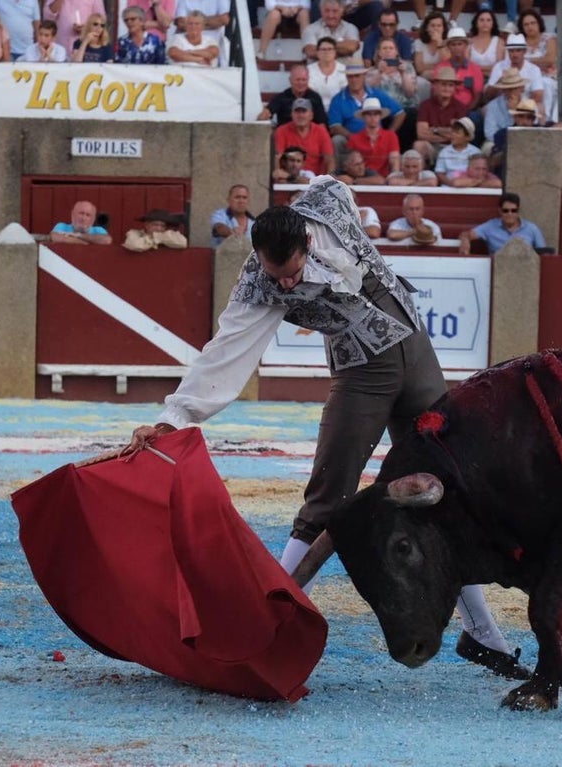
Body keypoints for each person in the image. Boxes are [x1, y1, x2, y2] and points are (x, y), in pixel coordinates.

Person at [118, 177, 531, 681]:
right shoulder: (258, 284)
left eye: (289, 274)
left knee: (447, 497)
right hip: (364, 372)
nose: (285, 286)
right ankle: (262, 626)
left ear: (306, 243)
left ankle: (483, 635)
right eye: (277, 276)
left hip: (420, 358)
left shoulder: (327, 205)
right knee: (327, 496)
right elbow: (226, 352)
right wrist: (174, 417)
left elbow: (333, 183)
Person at [327, 65, 404, 160]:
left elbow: (400, 113)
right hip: (350, 138)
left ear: (364, 76)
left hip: (378, 137)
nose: (354, 80)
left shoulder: (377, 93)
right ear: (346, 78)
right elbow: (335, 126)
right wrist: (354, 138)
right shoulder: (338, 99)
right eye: (350, 76)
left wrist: (389, 133)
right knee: (337, 140)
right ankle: (337, 173)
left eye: (357, 76)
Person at [413, 64, 469, 166]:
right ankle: (421, 178)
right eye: (443, 84)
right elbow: (421, 134)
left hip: (453, 147)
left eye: (450, 85)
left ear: (454, 88)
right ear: (435, 85)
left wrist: (435, 130)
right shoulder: (425, 105)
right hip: (432, 146)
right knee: (419, 145)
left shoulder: (461, 107)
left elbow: (459, 136)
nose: (447, 88)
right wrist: (448, 134)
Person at [458, 191, 546, 255]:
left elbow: (543, 254)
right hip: (499, 271)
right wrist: (465, 241)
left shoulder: (531, 228)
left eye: (513, 210)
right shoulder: (490, 226)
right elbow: (466, 234)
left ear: (518, 211)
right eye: (505, 210)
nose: (510, 214)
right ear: (500, 211)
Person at [482, 34, 543, 121]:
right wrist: (500, 81)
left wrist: (520, 104)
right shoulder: (499, 67)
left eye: (518, 50)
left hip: (525, 104)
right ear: (508, 52)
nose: (515, 54)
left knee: (540, 108)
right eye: (511, 51)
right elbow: (488, 96)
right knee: (485, 110)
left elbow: (538, 96)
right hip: (502, 104)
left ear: (524, 51)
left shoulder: (534, 69)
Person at [274, 98, 334, 178]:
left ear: (311, 115)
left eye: (304, 111)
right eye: (297, 112)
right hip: (290, 178)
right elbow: (277, 157)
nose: (300, 115)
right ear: (291, 114)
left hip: (316, 181)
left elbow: (329, 159)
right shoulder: (281, 131)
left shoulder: (321, 131)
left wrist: (329, 180)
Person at [518, 7, 557, 122]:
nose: (530, 26)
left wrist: (527, 62)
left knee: (544, 84)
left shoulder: (549, 39)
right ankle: (526, 120)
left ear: (539, 23)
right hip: (526, 77)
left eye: (532, 23)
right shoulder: (520, 42)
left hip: (548, 77)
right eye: (526, 24)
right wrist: (539, 61)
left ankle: (545, 120)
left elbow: (550, 60)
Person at [346, 97, 399, 178]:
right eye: (369, 114)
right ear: (364, 116)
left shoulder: (390, 136)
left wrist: (394, 177)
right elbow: (351, 163)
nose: (372, 117)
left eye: (376, 114)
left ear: (380, 116)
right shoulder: (354, 138)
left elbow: (394, 161)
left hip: (385, 180)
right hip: (362, 179)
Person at [258, 64, 326, 126]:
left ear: (308, 80)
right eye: (297, 80)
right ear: (290, 80)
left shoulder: (315, 98)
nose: (301, 83)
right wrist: (264, 116)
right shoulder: (281, 98)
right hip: (285, 136)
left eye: (304, 80)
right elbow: (266, 114)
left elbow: (322, 124)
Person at [443, 26, 482, 111]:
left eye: (460, 44)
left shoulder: (475, 69)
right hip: (444, 110)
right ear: (448, 47)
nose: (457, 47)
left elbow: (477, 97)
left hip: (468, 110)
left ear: (466, 45)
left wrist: (466, 112)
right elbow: (435, 94)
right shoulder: (441, 67)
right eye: (453, 44)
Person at [433, 117, 481, 186]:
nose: (453, 135)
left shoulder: (476, 152)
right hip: (447, 188)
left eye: (457, 133)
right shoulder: (444, 152)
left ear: (467, 137)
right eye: (453, 132)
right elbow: (439, 173)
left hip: (469, 188)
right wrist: (452, 184)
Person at [305, 37, 345, 112]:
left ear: (335, 52)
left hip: (338, 110)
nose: (326, 52)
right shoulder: (308, 70)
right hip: (314, 110)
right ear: (317, 52)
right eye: (323, 49)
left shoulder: (344, 70)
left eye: (330, 49)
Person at [123, 209, 188, 251]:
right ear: (146, 225)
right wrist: (153, 239)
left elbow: (183, 243)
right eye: (155, 225)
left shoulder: (169, 235)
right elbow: (134, 245)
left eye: (162, 226)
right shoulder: (135, 233)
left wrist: (157, 237)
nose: (159, 228)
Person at [467, 8, 502, 79]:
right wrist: (488, 69)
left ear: (493, 23)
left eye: (488, 20)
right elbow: (467, 66)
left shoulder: (498, 41)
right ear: (476, 23)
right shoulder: (469, 42)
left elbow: (499, 66)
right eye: (481, 20)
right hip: (472, 79)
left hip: (494, 80)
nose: (485, 23)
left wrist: (477, 68)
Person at [412, 11, 447, 79]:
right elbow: (419, 68)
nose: (436, 28)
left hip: (444, 78)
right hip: (423, 78)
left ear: (443, 28)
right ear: (426, 28)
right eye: (432, 25)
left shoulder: (448, 43)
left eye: (439, 26)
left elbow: (447, 65)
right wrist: (438, 66)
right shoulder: (419, 42)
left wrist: (439, 42)